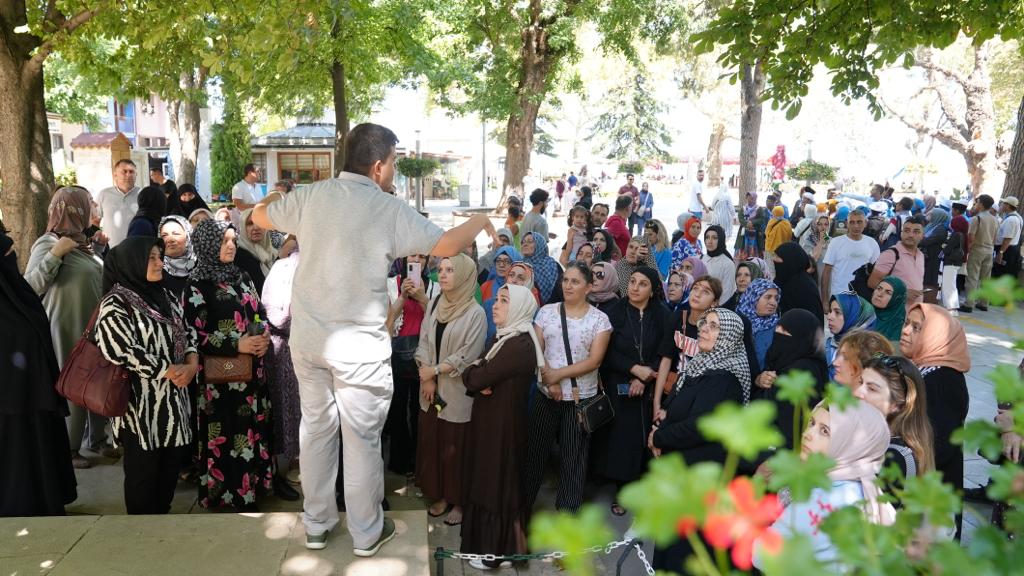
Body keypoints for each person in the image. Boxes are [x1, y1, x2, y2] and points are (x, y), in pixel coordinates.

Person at [252, 123, 497, 554]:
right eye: (394, 163)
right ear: (379, 166)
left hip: (308, 342)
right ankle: (366, 532)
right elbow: (447, 245)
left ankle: (317, 524)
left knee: (316, 431)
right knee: (362, 441)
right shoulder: (387, 208)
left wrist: (270, 199)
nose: (394, 171)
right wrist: (480, 219)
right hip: (359, 349)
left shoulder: (312, 196)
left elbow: (258, 217)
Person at [95, 237, 198, 514]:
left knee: (167, 477)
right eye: (151, 257)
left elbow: (188, 333)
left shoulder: (166, 296)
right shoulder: (116, 303)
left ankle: (161, 526)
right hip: (140, 411)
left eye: (159, 256)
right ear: (132, 262)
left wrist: (191, 364)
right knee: (143, 480)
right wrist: (168, 370)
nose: (159, 262)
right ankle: (140, 533)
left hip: (173, 407)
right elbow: (119, 349)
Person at [184, 219, 275, 510]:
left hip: (252, 376)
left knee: (252, 429)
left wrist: (263, 336)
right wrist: (237, 344)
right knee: (227, 435)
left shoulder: (242, 276)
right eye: (224, 241)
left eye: (234, 240)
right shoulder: (197, 285)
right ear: (208, 243)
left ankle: (253, 490)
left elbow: (259, 313)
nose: (231, 245)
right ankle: (229, 496)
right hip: (222, 382)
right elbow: (194, 336)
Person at [650, 308, 749, 572]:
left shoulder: (725, 379)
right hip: (682, 475)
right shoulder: (702, 365)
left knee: (684, 552)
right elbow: (678, 408)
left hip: (699, 482)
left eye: (714, 326)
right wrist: (661, 428)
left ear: (728, 337)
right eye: (705, 323)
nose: (704, 328)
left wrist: (660, 437)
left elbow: (698, 427)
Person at [753, 401, 894, 571]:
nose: (808, 434)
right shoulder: (864, 488)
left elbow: (761, 555)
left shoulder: (823, 500)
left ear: (850, 445)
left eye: (825, 431)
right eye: (811, 423)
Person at [24, 186, 108, 469]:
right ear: (75, 209)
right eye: (88, 203)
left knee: (96, 379)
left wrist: (98, 250)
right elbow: (30, 286)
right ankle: (68, 449)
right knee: (73, 384)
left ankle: (98, 439)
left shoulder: (83, 243)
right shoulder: (48, 242)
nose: (93, 208)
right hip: (66, 326)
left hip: (91, 326)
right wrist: (55, 254)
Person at [460, 284, 541, 569]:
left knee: (497, 484)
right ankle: (499, 548)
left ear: (519, 308)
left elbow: (474, 377)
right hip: (492, 422)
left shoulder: (519, 345)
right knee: (490, 481)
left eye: (504, 301)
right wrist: (476, 373)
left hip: (503, 427)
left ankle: (496, 553)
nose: (495, 305)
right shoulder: (503, 337)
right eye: (497, 299)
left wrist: (476, 373)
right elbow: (476, 373)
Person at [0, 222, 77, 516]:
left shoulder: (18, 294)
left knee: (39, 454)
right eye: (6, 253)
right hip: (10, 408)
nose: (12, 257)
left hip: (36, 399)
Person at [524, 262, 611, 513]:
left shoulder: (600, 320)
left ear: (589, 287)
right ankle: (521, 513)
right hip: (546, 396)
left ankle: (567, 517)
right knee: (534, 455)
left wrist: (557, 376)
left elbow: (594, 361)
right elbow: (536, 349)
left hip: (579, 400)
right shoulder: (547, 312)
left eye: (575, 281)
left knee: (573, 460)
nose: (568, 286)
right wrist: (548, 381)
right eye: (565, 280)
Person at [594, 267, 674, 516]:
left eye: (642, 284)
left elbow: (665, 351)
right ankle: (623, 489)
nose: (635, 288)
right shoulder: (614, 312)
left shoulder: (663, 314)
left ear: (652, 290)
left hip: (651, 383)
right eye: (632, 282)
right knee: (622, 438)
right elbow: (606, 352)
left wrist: (645, 375)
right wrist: (633, 369)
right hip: (618, 382)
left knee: (647, 436)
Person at [415, 254, 487, 528]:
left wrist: (434, 371)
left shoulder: (475, 313)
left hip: (456, 394)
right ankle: (443, 495)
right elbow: (424, 340)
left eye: (450, 270)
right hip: (431, 391)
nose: (442, 274)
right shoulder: (435, 303)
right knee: (435, 443)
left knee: (456, 447)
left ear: (466, 276)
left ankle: (460, 501)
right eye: (442, 269)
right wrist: (427, 377)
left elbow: (468, 355)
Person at [900, 303, 970, 518]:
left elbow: (938, 447)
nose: (905, 331)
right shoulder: (923, 368)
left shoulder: (943, 381)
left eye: (916, 328)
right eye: (906, 323)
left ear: (935, 335)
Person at [262, 241, 305, 500]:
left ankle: (300, 464)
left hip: (303, 348)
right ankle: (284, 469)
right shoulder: (284, 268)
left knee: (302, 410)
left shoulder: (316, 264)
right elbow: (274, 314)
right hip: (284, 350)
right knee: (286, 410)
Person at [854, 355, 935, 486]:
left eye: (872, 388)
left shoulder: (894, 458)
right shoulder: (875, 439)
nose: (857, 392)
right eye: (860, 382)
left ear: (897, 405)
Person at [754, 309, 829, 448]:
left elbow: (788, 426)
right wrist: (759, 380)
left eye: (785, 332)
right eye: (777, 330)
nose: (778, 335)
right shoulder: (786, 361)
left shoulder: (801, 372)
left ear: (802, 340)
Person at [821, 209, 879, 307]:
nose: (856, 226)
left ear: (865, 223)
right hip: (839, 296)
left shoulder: (872, 243)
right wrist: (825, 301)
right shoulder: (836, 242)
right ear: (847, 224)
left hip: (863, 298)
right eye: (852, 222)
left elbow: (876, 272)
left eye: (859, 222)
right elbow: (826, 271)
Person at [868, 214, 925, 306]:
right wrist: (903, 293)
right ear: (901, 233)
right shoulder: (891, 254)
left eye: (916, 232)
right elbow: (872, 282)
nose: (910, 235)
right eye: (906, 231)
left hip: (913, 310)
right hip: (894, 311)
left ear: (922, 235)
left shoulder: (921, 256)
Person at [961, 194, 999, 313]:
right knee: (986, 278)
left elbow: (971, 237)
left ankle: (969, 304)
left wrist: (968, 251)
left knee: (972, 277)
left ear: (981, 204)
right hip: (989, 250)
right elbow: (995, 238)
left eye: (977, 202)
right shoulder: (995, 219)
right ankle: (984, 303)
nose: (975, 205)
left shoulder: (976, 219)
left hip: (977, 249)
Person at [825, 292, 877, 379]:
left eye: (837, 312)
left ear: (854, 316)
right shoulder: (826, 345)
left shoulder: (868, 356)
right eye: (830, 311)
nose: (829, 317)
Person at [773, 242, 824, 325]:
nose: (774, 259)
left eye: (778, 257)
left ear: (790, 260)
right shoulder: (780, 280)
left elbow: (813, 319)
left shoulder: (805, 287)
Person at [96, 158, 141, 248]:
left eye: (131, 172)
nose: (128, 175)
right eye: (124, 172)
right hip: (110, 250)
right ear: (115, 175)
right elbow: (95, 220)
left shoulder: (143, 194)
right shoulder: (104, 194)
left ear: (136, 175)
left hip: (137, 249)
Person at [737, 279, 780, 369]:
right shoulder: (736, 321)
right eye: (768, 297)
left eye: (776, 298)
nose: (773, 303)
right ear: (753, 297)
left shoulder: (778, 327)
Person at [158, 215, 195, 298]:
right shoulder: (157, 269)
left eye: (176, 234)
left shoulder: (202, 265)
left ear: (188, 236)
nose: (170, 239)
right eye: (164, 235)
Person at [522, 231, 563, 305]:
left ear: (539, 244)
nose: (525, 244)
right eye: (523, 242)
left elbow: (561, 290)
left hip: (553, 308)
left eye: (530, 241)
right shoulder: (520, 266)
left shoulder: (553, 265)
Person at [701, 224, 737, 304]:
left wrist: (715, 309)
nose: (710, 241)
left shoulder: (728, 264)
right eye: (707, 237)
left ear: (721, 240)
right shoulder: (701, 259)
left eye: (714, 238)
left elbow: (727, 294)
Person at [237, 208, 277, 277]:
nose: (256, 228)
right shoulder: (240, 256)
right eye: (250, 223)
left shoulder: (273, 252)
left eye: (260, 223)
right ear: (243, 228)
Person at [942, 213, 968, 311]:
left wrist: (943, 247)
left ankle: (951, 306)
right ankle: (952, 305)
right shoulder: (962, 234)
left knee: (949, 285)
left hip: (951, 261)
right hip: (956, 262)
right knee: (951, 284)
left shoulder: (956, 234)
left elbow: (948, 248)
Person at [919, 209, 949, 293]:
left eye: (931, 214)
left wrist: (917, 241)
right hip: (927, 254)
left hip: (932, 255)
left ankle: (929, 295)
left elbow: (929, 240)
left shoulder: (941, 229)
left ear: (937, 216)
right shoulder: (931, 225)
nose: (928, 215)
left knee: (929, 276)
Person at [992, 196, 1022, 280]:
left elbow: (1007, 239)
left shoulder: (1011, 220)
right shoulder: (1015, 217)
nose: (1001, 205)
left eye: (1003, 203)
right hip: (1008, 249)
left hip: (1006, 251)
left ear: (1008, 206)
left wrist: (1001, 252)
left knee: (1000, 274)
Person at [871, 276, 907, 342]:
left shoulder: (898, 327)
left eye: (888, 293)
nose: (880, 294)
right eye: (879, 288)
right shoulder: (860, 311)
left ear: (897, 299)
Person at [735, 191, 767, 259]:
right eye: (748, 198)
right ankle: (744, 258)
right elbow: (740, 218)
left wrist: (752, 222)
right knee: (743, 245)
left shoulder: (759, 209)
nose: (750, 200)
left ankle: (754, 259)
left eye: (752, 198)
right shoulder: (743, 209)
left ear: (755, 199)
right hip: (744, 232)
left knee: (755, 248)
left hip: (756, 232)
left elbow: (762, 219)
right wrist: (747, 223)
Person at [764, 206, 793, 276]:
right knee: (781, 268)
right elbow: (790, 235)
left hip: (771, 249)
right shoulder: (787, 223)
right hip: (783, 249)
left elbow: (767, 233)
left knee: (771, 268)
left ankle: (772, 281)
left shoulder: (771, 222)